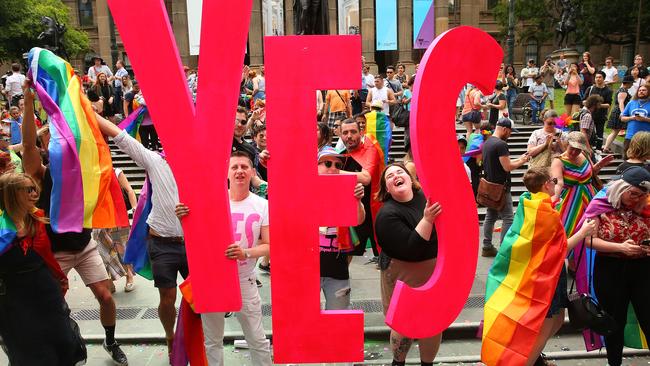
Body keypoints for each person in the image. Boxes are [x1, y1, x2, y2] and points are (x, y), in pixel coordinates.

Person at [22, 82, 128, 365]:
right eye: (52, 138)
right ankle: (66, 341)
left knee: (106, 297)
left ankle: (110, 340)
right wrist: (29, 99)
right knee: (55, 305)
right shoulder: (42, 174)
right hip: (55, 252)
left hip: (84, 245)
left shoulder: (85, 170)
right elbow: (29, 146)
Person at [177, 151, 273, 366]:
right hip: (212, 279)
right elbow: (195, 238)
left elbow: (270, 245)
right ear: (227, 173)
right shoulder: (210, 202)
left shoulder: (262, 205)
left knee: (257, 339)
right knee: (212, 341)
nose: (239, 171)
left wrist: (245, 252)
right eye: (234, 167)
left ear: (252, 172)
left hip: (245, 280)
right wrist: (185, 218)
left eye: (244, 167)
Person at [517, 168, 596, 366]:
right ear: (546, 185)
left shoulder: (530, 203)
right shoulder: (546, 214)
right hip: (547, 273)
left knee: (558, 318)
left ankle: (535, 358)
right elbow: (560, 249)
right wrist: (584, 231)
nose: (555, 183)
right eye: (553, 180)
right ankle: (529, 361)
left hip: (549, 271)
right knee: (547, 323)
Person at [0, 173, 80, 366]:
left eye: (34, 188)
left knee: (63, 343)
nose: (34, 193)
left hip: (47, 295)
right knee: (33, 353)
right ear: (12, 194)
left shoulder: (37, 220)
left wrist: (59, 280)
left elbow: (47, 258)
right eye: (28, 190)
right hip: (16, 302)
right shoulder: (3, 230)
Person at [374, 162, 442, 366]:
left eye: (399, 172)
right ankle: (398, 362)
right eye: (389, 176)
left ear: (411, 180)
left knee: (433, 321)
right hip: (403, 273)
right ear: (387, 189)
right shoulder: (387, 215)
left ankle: (427, 364)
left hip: (433, 271)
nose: (395, 176)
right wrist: (428, 220)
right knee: (403, 321)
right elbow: (412, 249)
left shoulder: (425, 197)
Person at [588, 167, 650, 366]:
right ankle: (614, 362)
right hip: (610, 269)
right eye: (633, 194)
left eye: (642, 195)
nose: (636, 199)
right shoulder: (600, 204)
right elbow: (589, 240)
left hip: (643, 268)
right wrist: (620, 247)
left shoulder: (647, 206)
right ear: (621, 188)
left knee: (648, 317)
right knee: (614, 321)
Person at [317, 147, 366, 310]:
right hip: (307, 269)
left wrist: (358, 201)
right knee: (304, 321)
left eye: (338, 166)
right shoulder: (304, 190)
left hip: (337, 269)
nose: (333, 168)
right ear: (315, 166)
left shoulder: (347, 191)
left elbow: (359, 220)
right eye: (328, 163)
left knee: (337, 319)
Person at [481, 118, 530, 257]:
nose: (510, 134)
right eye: (510, 132)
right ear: (504, 129)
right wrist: (521, 162)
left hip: (490, 186)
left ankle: (486, 245)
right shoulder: (501, 144)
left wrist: (520, 159)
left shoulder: (488, 142)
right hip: (501, 188)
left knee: (490, 216)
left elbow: (503, 163)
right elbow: (507, 167)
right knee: (508, 218)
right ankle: (504, 248)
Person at [551, 132, 612, 237]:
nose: (575, 152)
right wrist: (554, 201)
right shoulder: (558, 161)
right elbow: (558, 183)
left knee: (594, 230)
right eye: (572, 148)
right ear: (566, 144)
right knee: (568, 231)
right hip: (569, 203)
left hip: (590, 198)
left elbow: (590, 174)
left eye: (578, 149)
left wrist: (599, 166)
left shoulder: (584, 154)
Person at [339, 118, 382, 262]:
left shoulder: (370, 149)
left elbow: (366, 178)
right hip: (354, 214)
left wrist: (332, 171)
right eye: (345, 132)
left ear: (361, 132)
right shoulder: (341, 155)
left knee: (385, 261)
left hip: (376, 213)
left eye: (353, 132)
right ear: (340, 135)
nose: (349, 136)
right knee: (346, 255)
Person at [603, 75, 634, 153]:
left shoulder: (622, 89)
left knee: (615, 131)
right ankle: (606, 148)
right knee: (615, 131)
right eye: (631, 83)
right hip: (619, 112)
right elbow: (621, 103)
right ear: (628, 83)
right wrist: (623, 113)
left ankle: (606, 147)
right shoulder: (623, 91)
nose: (632, 85)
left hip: (617, 111)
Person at [583, 71, 612, 150]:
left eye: (600, 77)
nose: (598, 79)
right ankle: (587, 148)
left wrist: (598, 105)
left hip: (601, 115)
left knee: (600, 133)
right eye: (596, 77)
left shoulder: (608, 90)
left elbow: (608, 104)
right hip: (589, 115)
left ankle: (598, 149)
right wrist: (589, 103)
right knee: (588, 132)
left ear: (603, 79)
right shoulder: (590, 88)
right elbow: (583, 101)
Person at [621, 85, 650, 158]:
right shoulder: (631, 103)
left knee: (643, 158)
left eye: (644, 90)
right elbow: (622, 118)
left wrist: (645, 119)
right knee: (627, 157)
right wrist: (632, 118)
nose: (641, 92)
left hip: (645, 137)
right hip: (630, 135)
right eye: (640, 90)